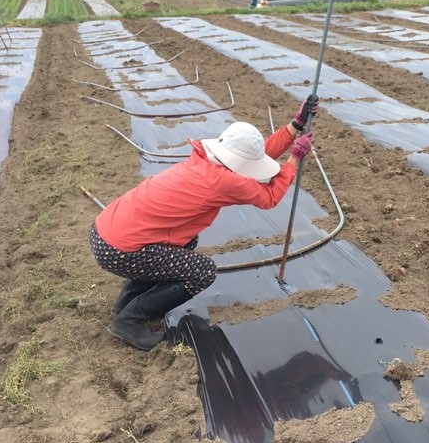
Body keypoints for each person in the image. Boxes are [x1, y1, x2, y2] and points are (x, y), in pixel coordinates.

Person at [89, 95, 320, 349]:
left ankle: (126, 304)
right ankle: (130, 320)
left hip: (105, 234)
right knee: (201, 272)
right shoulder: (223, 181)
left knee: (187, 242)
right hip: (119, 251)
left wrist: (295, 126)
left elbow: (257, 156)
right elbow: (269, 197)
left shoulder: (207, 161)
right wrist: (294, 158)